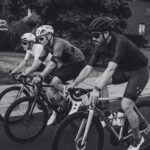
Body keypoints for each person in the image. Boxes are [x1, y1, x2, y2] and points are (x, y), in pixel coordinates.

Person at [68, 16, 149, 150]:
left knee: (126, 104)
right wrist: (73, 84)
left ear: (106, 33)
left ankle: (137, 139)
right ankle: (109, 114)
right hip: (124, 71)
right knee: (99, 80)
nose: (93, 39)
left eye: (96, 35)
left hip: (138, 71)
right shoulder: (99, 46)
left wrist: (96, 89)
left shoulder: (119, 42)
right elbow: (88, 68)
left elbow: (111, 68)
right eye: (92, 35)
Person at [33, 25, 85, 125]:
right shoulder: (46, 46)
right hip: (66, 63)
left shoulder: (58, 43)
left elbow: (52, 64)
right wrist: (25, 73)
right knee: (50, 88)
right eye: (38, 39)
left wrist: (40, 76)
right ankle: (57, 110)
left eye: (41, 38)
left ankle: (75, 99)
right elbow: (38, 61)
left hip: (77, 62)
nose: (40, 41)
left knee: (55, 82)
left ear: (48, 36)